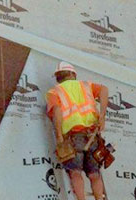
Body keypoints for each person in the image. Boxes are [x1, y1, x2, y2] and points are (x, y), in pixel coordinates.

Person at [46, 61, 110, 200]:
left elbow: (57, 112)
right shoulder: (86, 86)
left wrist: (59, 137)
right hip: (92, 136)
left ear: (58, 77)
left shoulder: (53, 92)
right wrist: (102, 116)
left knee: (75, 173)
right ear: (73, 74)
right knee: (94, 174)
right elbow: (104, 89)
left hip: (73, 138)